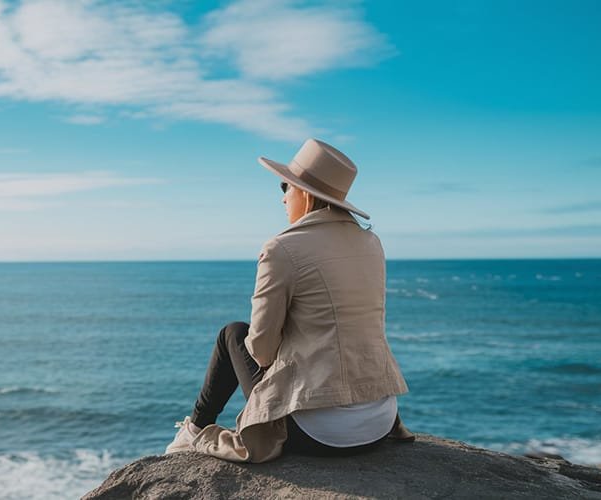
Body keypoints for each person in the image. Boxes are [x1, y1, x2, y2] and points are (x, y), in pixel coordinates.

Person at [165, 138, 415, 463]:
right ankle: (195, 429)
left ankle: (194, 430)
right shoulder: (371, 243)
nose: (283, 198)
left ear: (306, 194)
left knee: (232, 333)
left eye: (286, 187)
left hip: (321, 433)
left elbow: (262, 349)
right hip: (378, 422)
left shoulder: (282, 249)